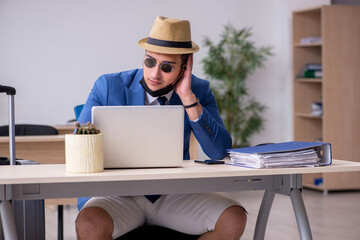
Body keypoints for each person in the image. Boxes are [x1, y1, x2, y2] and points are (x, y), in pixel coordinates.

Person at [75, 16, 247, 240]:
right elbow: (81, 144)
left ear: (184, 67)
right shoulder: (108, 86)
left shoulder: (199, 90)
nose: (155, 74)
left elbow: (219, 151)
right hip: (117, 194)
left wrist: (187, 98)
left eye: (167, 67)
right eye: (150, 62)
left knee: (234, 218)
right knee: (89, 224)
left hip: (173, 193)